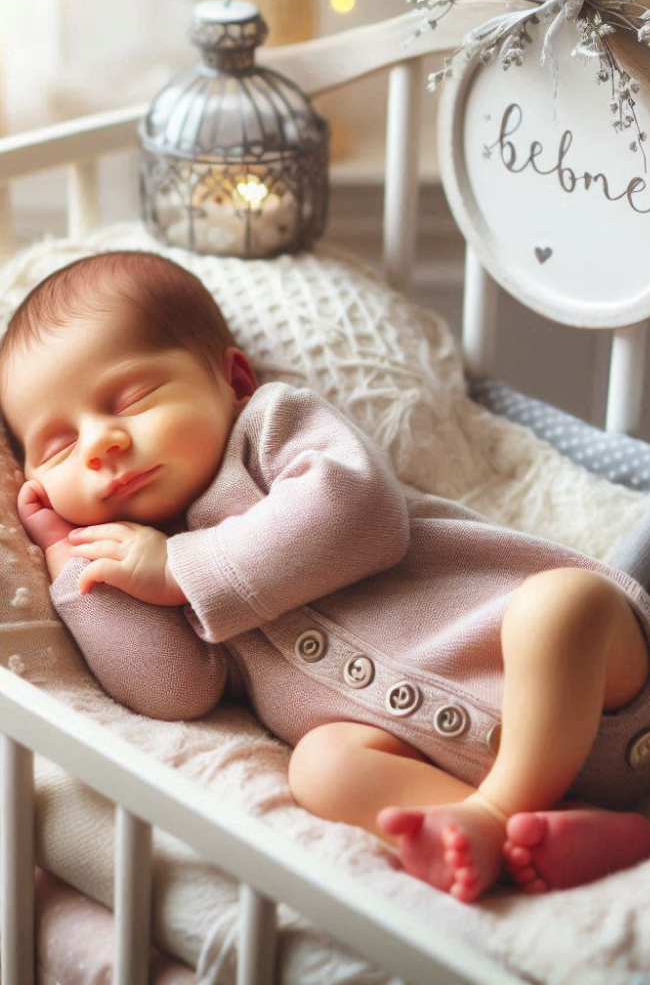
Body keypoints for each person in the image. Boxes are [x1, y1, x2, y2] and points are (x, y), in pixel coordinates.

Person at [2, 249, 650, 905]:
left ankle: (497, 811)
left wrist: (180, 568)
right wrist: (74, 564)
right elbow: (177, 691)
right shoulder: (154, 573)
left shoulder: (269, 431)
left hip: (604, 682)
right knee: (321, 767)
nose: (99, 443)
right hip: (500, 770)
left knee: (560, 607)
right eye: (57, 447)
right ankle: (541, 832)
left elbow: (362, 512)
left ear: (233, 380)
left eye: (133, 398)